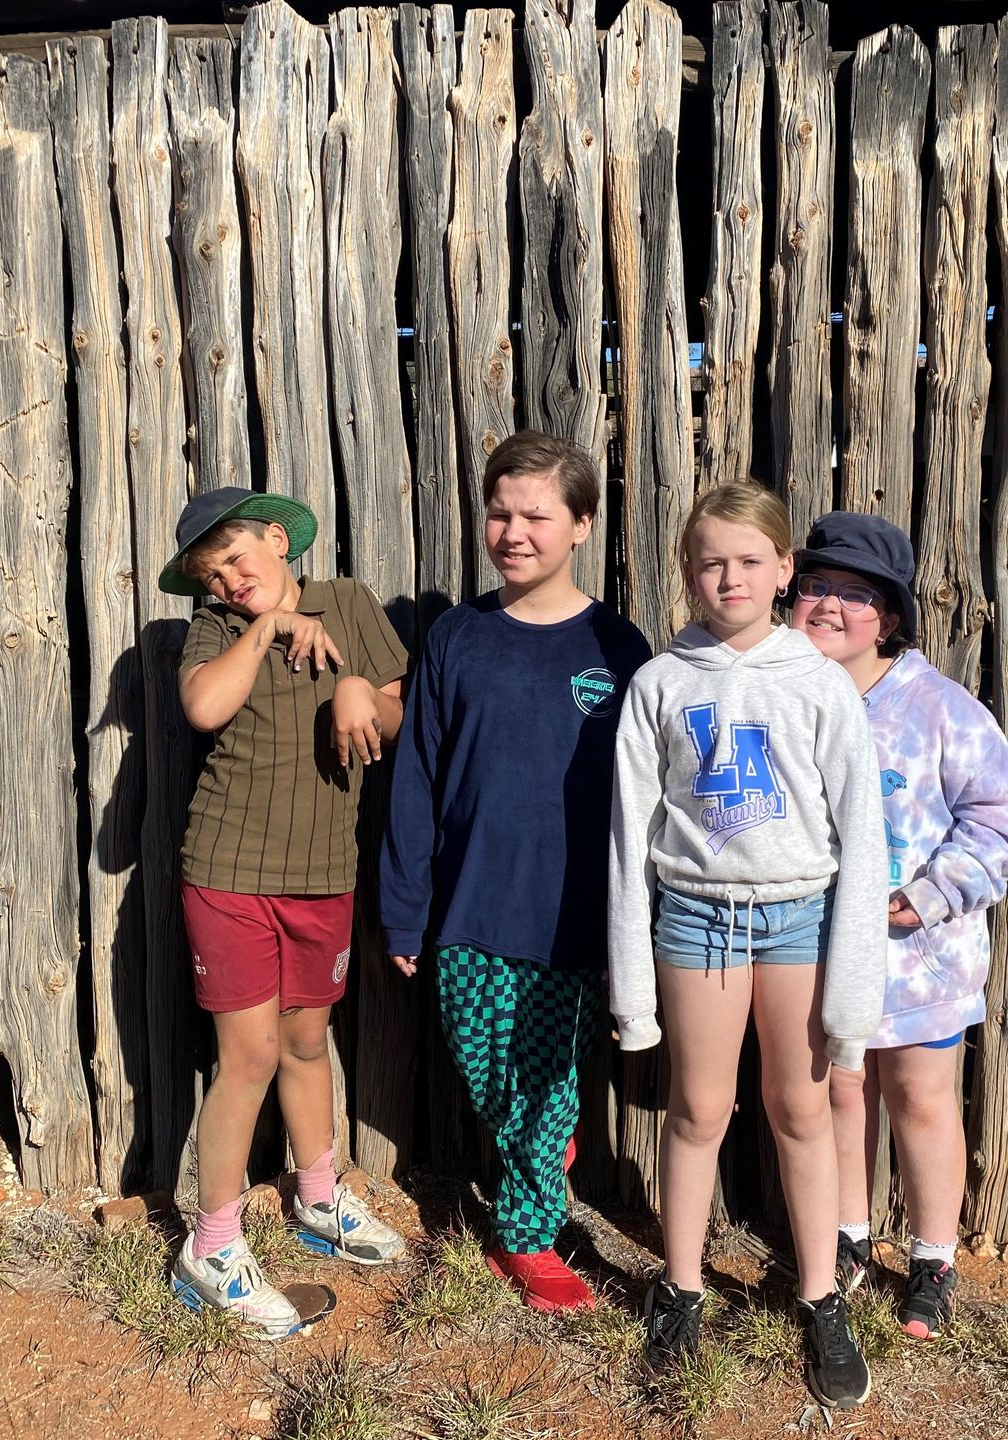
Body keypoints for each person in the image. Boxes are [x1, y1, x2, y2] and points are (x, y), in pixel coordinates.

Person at [607, 481, 887, 1410]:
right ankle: (681, 1287)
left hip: (797, 918)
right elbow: (630, 836)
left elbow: (859, 833)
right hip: (697, 917)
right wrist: (630, 987)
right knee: (697, 1110)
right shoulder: (659, 684)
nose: (729, 576)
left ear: (783, 571)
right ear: (687, 572)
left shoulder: (816, 684)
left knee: (802, 1110)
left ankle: (819, 1296)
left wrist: (852, 992)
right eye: (709, 560)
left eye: (749, 560)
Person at [382, 430, 653, 1313]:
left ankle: (527, 1233)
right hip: (469, 908)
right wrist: (402, 907)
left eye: (536, 514)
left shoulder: (620, 649)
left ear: (581, 524)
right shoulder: (458, 637)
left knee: (549, 1080)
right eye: (499, 512)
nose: (513, 531)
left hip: (577, 916)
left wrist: (639, 918)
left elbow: (648, 795)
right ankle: (545, 1150)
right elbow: (417, 775)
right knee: (493, 1073)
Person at [161, 486, 411, 1338]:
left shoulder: (347, 601)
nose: (229, 580)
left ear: (278, 539)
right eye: (211, 574)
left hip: (324, 873)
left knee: (308, 1041)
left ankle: (319, 1197)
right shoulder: (216, 633)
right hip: (228, 873)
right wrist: (266, 630)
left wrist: (356, 696)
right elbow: (202, 708)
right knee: (252, 1056)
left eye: (237, 558)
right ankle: (213, 1246)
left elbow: (398, 707)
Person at [787, 511, 1008, 1341]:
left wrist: (927, 895)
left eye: (854, 595)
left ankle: (934, 1257)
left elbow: (1002, 822)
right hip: (814, 948)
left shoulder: (939, 708)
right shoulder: (782, 693)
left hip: (920, 957)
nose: (828, 605)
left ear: (888, 619)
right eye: (815, 586)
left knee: (922, 1099)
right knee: (841, 1092)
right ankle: (849, 1240)